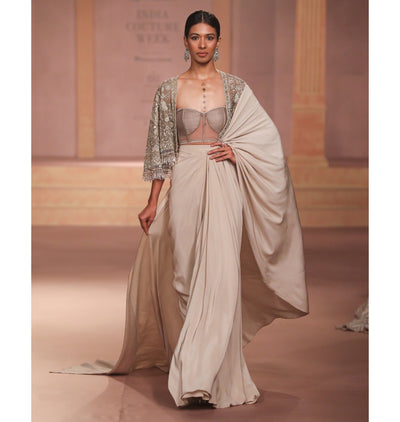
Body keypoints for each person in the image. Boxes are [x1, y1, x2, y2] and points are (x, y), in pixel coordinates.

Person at [52, 10, 309, 410]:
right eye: (195, 36)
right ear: (185, 41)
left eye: (209, 37)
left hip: (224, 184)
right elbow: (160, 150)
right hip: (186, 182)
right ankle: (194, 365)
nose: (202, 44)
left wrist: (237, 151)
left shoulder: (236, 89)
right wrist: (153, 201)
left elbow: (266, 140)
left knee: (222, 276)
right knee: (186, 277)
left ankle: (200, 380)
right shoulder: (168, 90)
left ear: (218, 42)